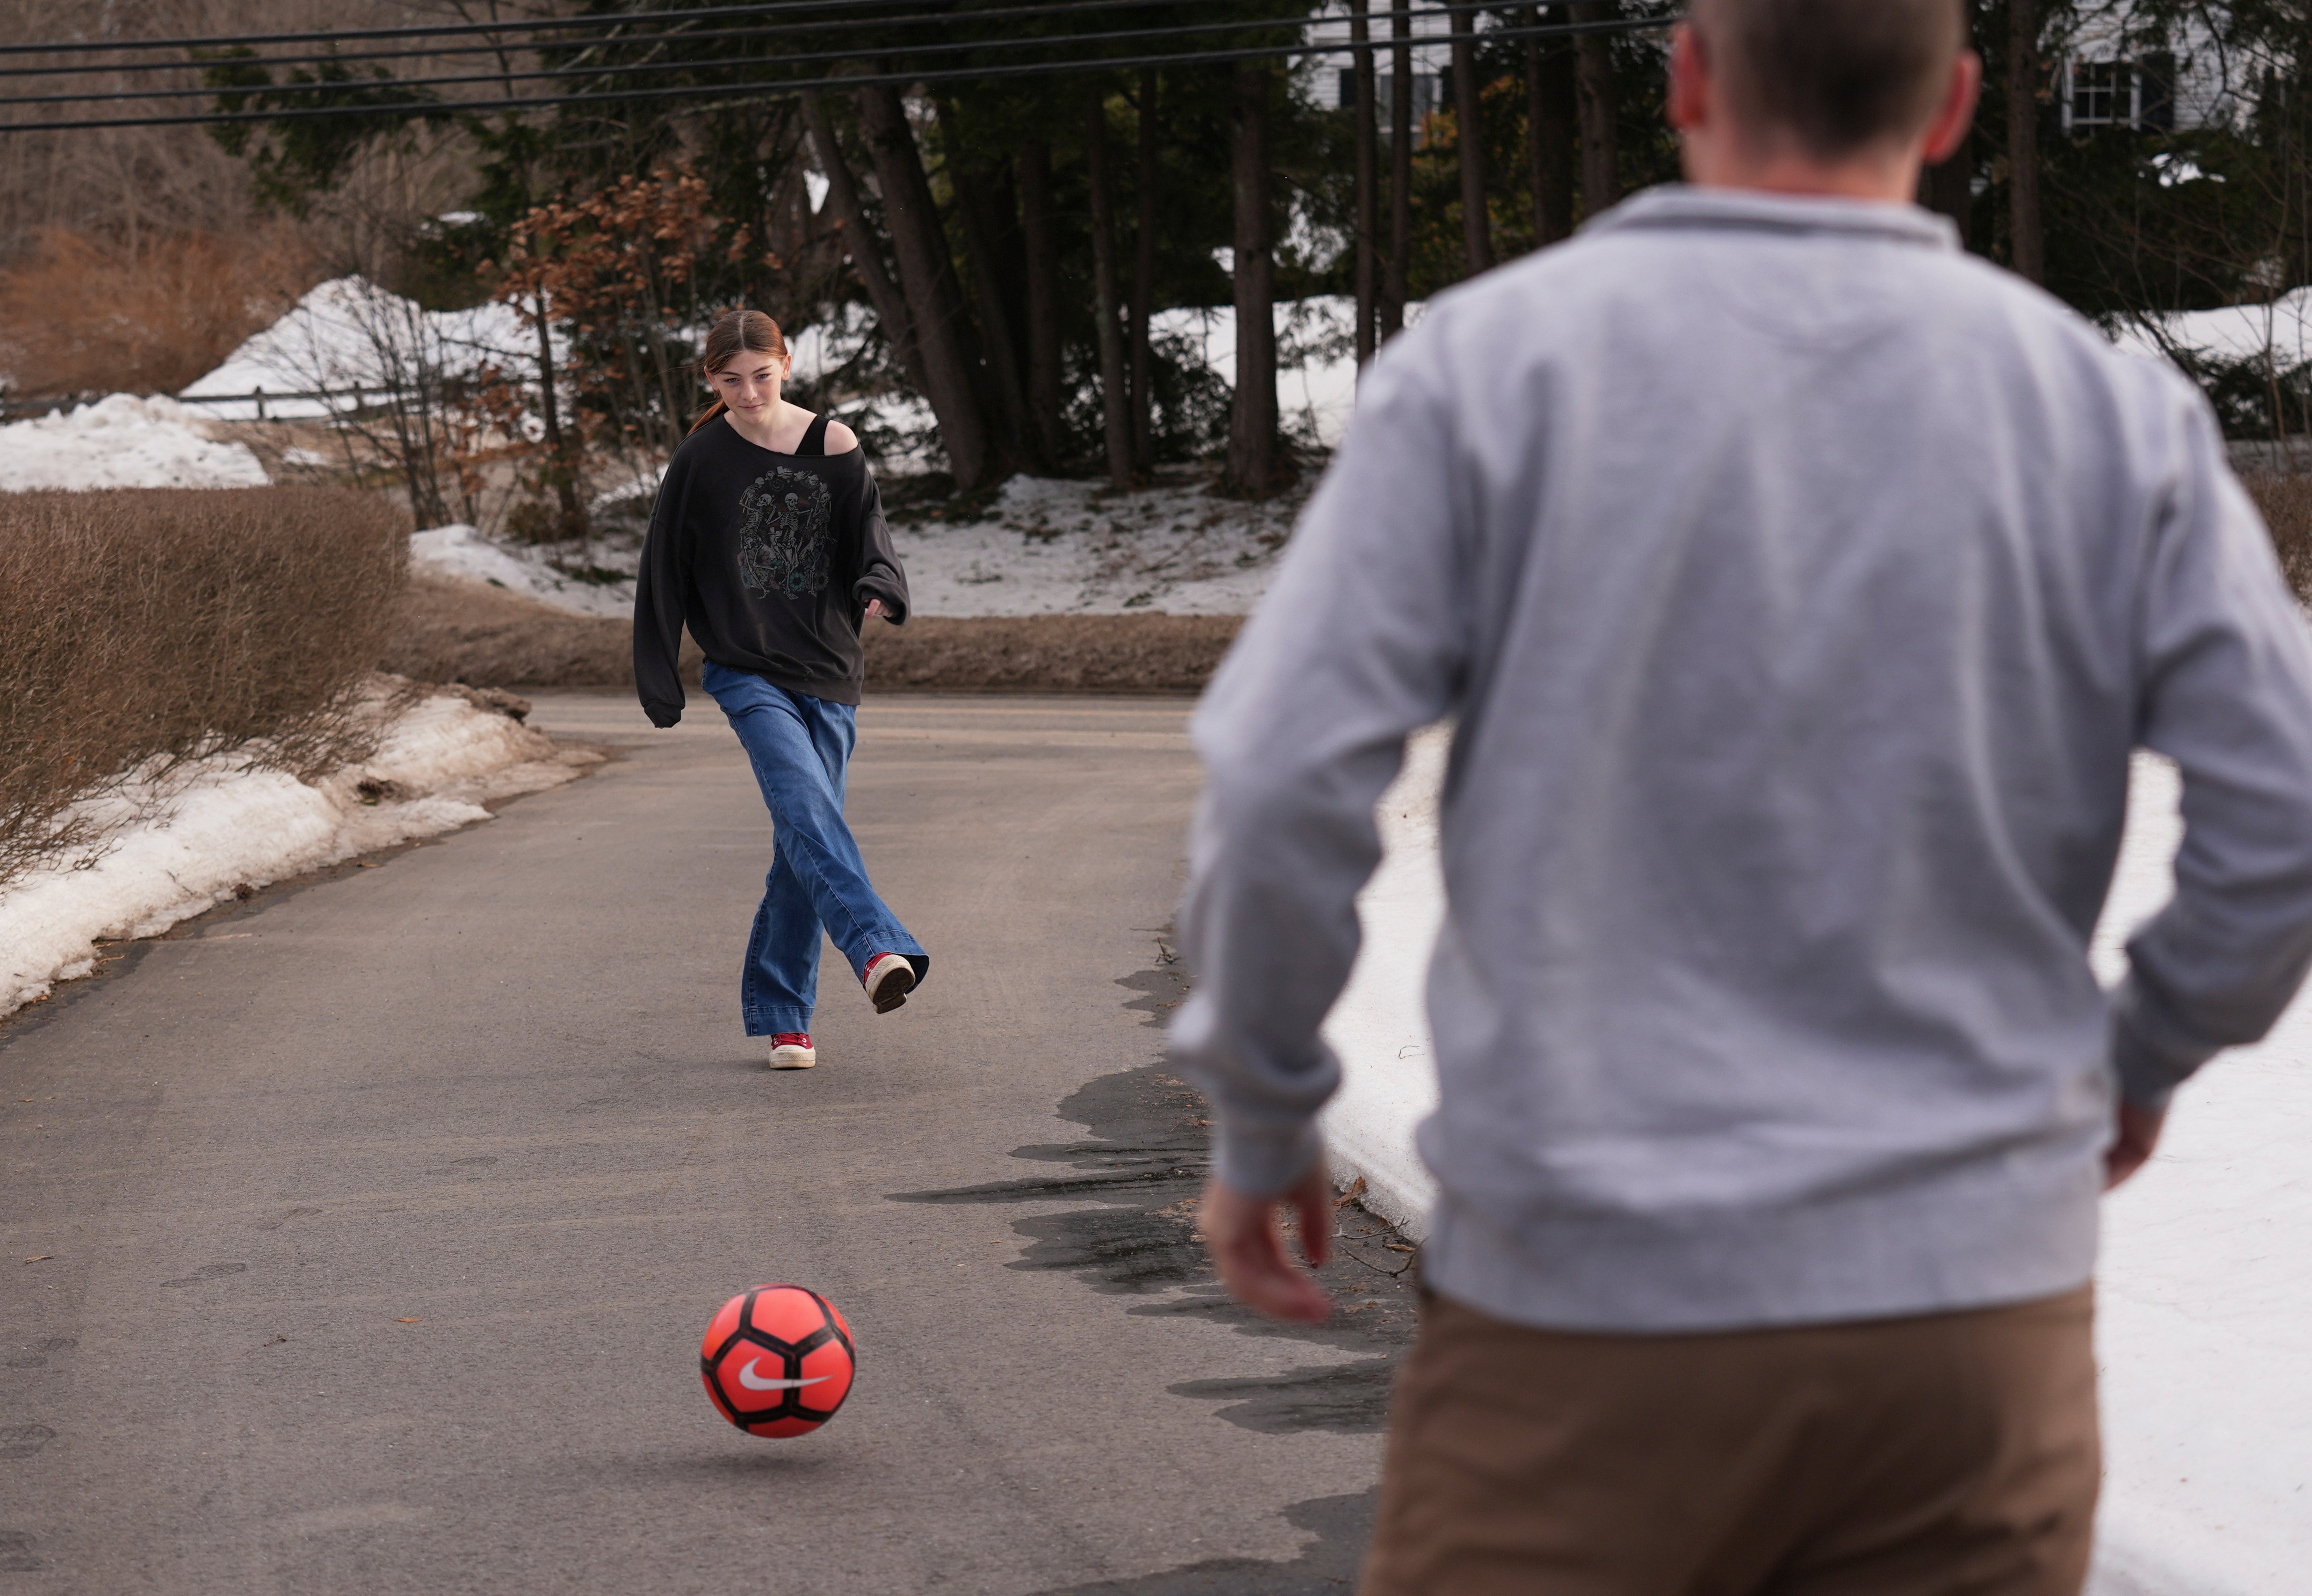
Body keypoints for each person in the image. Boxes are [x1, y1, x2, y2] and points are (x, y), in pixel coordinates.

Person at [1172, 1, 2312, 1590]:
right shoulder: (2108, 413)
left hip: (1585, 1319)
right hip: (1969, 1322)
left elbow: (1288, 770)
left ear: (1690, 76)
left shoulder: (1493, 367)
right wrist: (2141, 1056)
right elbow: (2288, 804)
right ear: (1955, 107)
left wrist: (1265, 1098)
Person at [635, 308, 926, 1071]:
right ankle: (875, 949)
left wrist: (878, 588)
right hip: (745, 665)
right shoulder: (700, 459)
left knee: (804, 835)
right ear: (711, 380)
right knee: (803, 805)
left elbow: (875, 541)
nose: (748, 391)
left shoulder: (835, 445)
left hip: (830, 669)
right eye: (730, 381)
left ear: (787, 364)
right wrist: (659, 672)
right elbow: (661, 568)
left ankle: (784, 1015)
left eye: (760, 375)